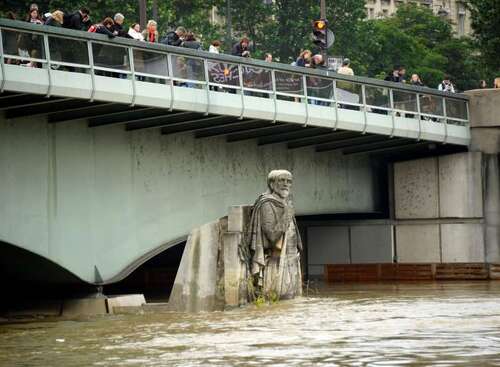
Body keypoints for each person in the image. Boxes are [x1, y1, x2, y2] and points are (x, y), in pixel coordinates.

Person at [246, 170, 303, 301]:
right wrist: (287, 214)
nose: (286, 184)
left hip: (291, 258)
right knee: (278, 298)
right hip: (276, 261)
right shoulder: (267, 204)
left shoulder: (286, 203)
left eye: (288, 181)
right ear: (272, 184)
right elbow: (271, 235)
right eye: (281, 180)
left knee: (292, 301)